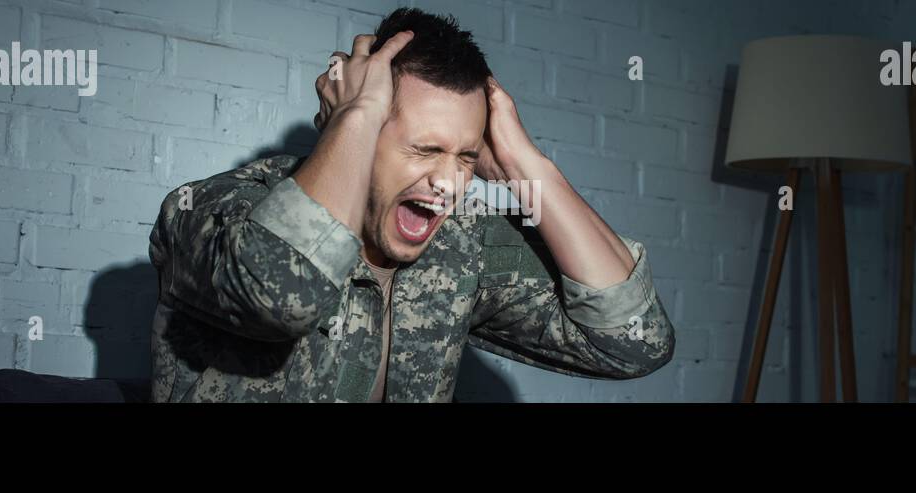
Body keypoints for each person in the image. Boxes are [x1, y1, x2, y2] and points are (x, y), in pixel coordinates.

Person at [149, 7, 674, 402]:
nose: (448, 182)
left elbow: (633, 343)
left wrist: (523, 163)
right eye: (425, 149)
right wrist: (354, 116)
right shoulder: (217, 209)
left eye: (465, 156)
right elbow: (280, 294)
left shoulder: (461, 249)